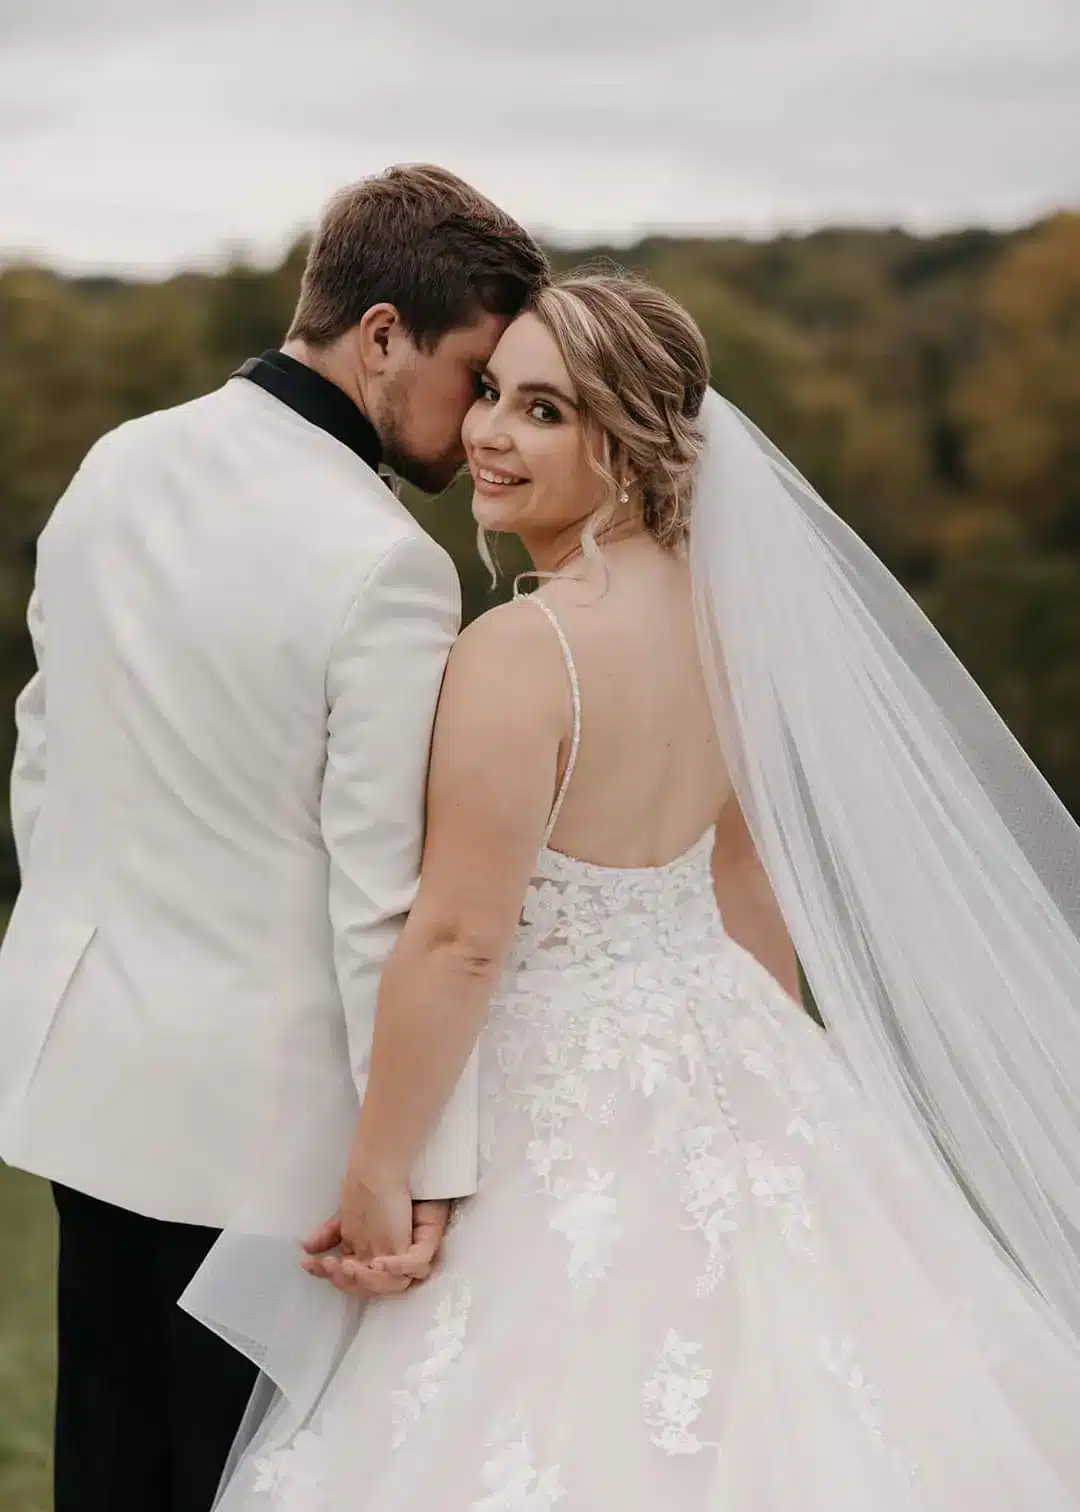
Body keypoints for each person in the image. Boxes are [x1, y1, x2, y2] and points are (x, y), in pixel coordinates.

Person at [187, 271, 1080, 1508]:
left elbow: (455, 942)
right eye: (493, 393)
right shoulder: (733, 622)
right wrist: (759, 1086)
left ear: (634, 441)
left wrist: (379, 1173)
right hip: (727, 1036)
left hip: (554, 1085)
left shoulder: (520, 651)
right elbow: (748, 883)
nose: (491, 435)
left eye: (547, 413)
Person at [0, 164, 548, 1512]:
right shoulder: (386, 565)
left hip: (85, 1074)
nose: (477, 417)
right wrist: (416, 1171)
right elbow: (383, 902)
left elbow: (45, 751)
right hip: (262, 1130)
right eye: (475, 373)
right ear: (379, 335)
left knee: (107, 1466)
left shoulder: (121, 458)